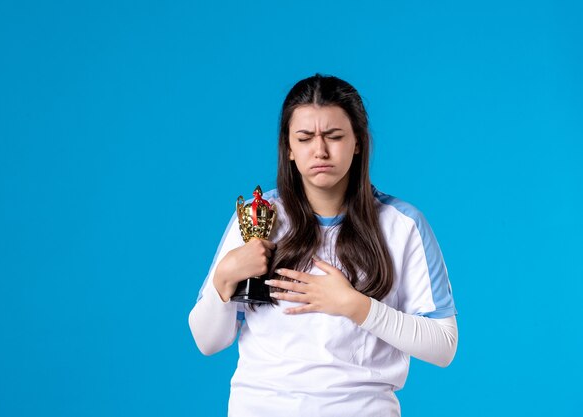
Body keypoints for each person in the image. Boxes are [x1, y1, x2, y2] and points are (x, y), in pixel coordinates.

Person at [188, 74, 458, 417]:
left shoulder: (402, 225)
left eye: (334, 136)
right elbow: (208, 342)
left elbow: (443, 345)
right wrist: (223, 279)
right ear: (288, 146)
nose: (320, 151)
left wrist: (355, 306)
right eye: (304, 138)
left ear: (358, 142)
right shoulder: (259, 217)